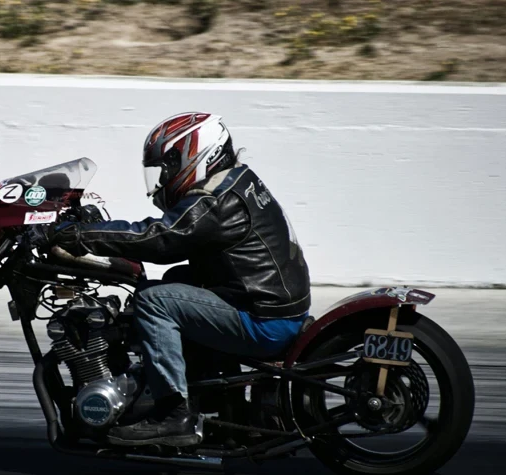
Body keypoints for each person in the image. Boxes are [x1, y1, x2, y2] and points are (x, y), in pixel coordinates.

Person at [48, 112, 312, 447]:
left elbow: (162, 238)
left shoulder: (215, 199)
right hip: (269, 304)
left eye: (167, 167)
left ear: (194, 154)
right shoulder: (235, 179)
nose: (164, 178)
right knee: (174, 280)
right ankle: (199, 391)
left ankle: (174, 414)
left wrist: (78, 235)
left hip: (263, 321)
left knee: (153, 301)